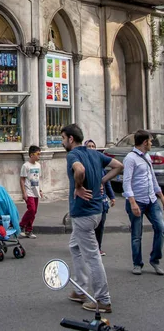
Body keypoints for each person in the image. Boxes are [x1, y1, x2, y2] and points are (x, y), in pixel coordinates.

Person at [61, 124, 123, 314]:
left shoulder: (73, 155)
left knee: (93, 257)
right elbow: (119, 166)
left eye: (63, 138)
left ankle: (103, 300)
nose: (62, 141)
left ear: (71, 139)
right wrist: (102, 180)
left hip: (83, 214)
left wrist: (79, 187)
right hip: (96, 212)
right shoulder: (95, 154)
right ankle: (80, 290)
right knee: (74, 246)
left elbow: (79, 170)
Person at [122, 129, 164, 276]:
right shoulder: (130, 158)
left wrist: (161, 195)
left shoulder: (147, 156)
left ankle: (155, 260)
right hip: (137, 201)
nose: (152, 143)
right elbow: (126, 183)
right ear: (145, 142)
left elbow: (152, 177)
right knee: (136, 235)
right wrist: (132, 203)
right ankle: (137, 263)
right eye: (150, 141)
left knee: (161, 228)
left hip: (151, 200)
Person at [84, 139, 115, 256]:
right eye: (89, 146)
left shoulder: (100, 165)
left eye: (93, 146)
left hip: (101, 201)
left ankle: (98, 248)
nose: (91, 148)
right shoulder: (83, 164)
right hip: (89, 201)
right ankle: (86, 248)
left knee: (100, 226)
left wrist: (112, 196)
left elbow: (106, 182)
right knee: (88, 227)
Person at [19, 145, 43, 239]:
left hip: (36, 190)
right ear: (32, 155)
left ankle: (28, 230)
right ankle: (21, 225)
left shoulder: (38, 165)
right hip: (28, 191)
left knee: (34, 211)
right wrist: (24, 192)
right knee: (31, 209)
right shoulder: (25, 166)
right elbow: (22, 180)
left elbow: (38, 178)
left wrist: (40, 190)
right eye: (38, 154)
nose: (39, 156)